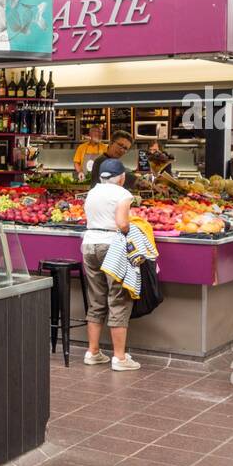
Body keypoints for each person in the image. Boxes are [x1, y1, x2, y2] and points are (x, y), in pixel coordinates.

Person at [81, 158, 139, 371]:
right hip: (111, 247)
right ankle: (120, 358)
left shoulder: (93, 192)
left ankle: (93, 352)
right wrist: (130, 230)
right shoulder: (122, 193)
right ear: (122, 177)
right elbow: (122, 223)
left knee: (96, 299)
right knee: (118, 299)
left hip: (89, 245)